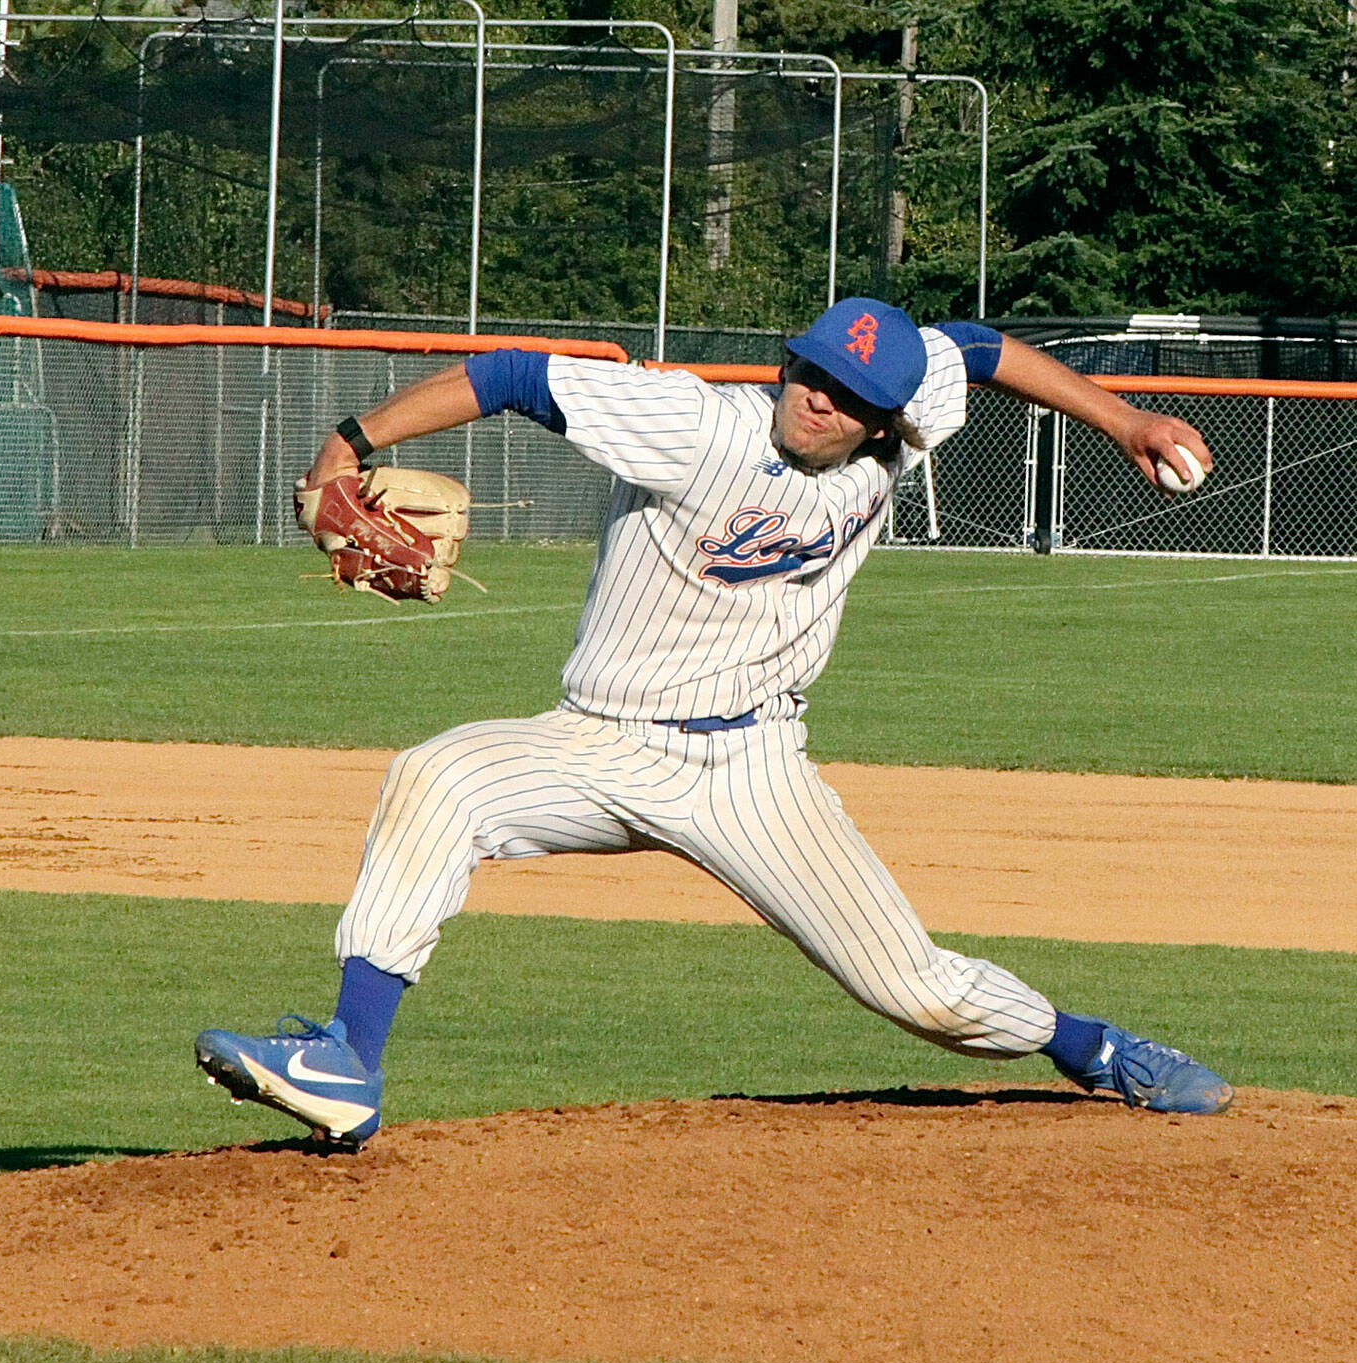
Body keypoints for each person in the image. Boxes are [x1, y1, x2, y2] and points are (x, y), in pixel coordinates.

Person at [195, 297, 1232, 1147]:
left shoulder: (910, 413)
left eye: (848, 395)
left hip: (755, 771)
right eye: (808, 372)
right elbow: (514, 373)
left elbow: (982, 348)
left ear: (890, 418)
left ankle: (1091, 1047)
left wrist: (1125, 421)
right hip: (599, 741)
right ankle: (348, 1059)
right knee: (438, 776)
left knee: (923, 993)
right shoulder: (697, 426)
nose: (816, 399)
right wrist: (347, 444)